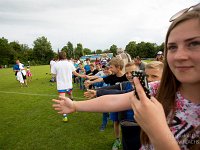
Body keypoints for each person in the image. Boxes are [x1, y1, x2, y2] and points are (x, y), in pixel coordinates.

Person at [53, 4, 200, 150]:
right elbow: (115, 99)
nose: (179, 56)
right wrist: (75, 105)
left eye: (194, 43)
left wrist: (157, 130)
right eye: (172, 47)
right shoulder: (159, 88)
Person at [52, 51, 86, 122]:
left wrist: (54, 79)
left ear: (59, 56)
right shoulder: (70, 63)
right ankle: (73, 105)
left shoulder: (56, 64)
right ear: (65, 56)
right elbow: (75, 73)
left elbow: (53, 75)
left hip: (61, 85)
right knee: (70, 95)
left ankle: (65, 116)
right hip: (68, 84)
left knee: (62, 100)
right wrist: (82, 75)